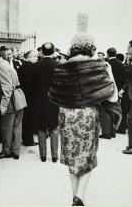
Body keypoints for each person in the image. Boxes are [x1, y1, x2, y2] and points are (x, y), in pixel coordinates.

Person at [48, 33, 116, 206]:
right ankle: (80, 195)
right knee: (87, 156)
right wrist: (110, 73)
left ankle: (75, 198)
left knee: (72, 156)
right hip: (87, 115)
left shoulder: (61, 67)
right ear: (91, 48)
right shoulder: (98, 66)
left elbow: (52, 96)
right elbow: (113, 97)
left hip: (67, 115)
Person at [0, 48, 26, 160]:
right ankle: (16, 151)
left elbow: (6, 87)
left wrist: (3, 105)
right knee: (17, 126)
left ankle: (6, 151)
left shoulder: (1, 66)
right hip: (19, 96)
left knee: (6, 127)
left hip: (10, 99)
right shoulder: (7, 64)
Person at [32, 43, 59, 162]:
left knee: (41, 128)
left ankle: (43, 155)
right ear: (53, 52)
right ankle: (54, 156)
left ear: (42, 52)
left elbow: (32, 85)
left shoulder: (35, 66)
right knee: (54, 128)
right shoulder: (58, 65)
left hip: (39, 100)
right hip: (54, 100)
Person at [17, 49, 38, 146]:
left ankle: (25, 139)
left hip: (22, 96)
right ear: (29, 57)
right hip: (31, 97)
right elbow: (32, 84)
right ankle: (29, 141)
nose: (36, 58)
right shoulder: (32, 67)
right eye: (34, 56)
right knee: (29, 120)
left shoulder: (21, 68)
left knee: (24, 119)